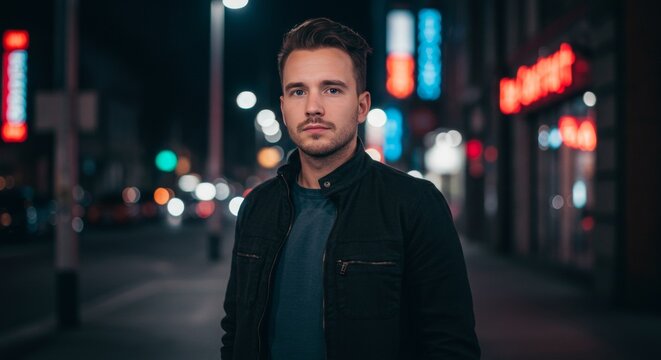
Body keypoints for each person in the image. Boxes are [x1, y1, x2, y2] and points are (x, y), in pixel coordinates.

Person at [220, 17, 480, 360]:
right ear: (283, 108)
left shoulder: (414, 204)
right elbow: (235, 331)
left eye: (332, 89)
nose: (313, 107)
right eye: (298, 91)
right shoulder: (258, 208)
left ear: (361, 106)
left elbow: (450, 345)